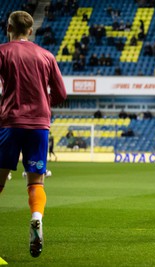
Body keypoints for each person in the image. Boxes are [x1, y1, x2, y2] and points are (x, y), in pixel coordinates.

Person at [0, 11, 67, 258]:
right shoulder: (46, 55)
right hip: (39, 125)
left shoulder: (2, 51)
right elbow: (60, 93)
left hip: (10, 122)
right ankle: (37, 218)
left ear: (8, 28)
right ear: (31, 31)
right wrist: (43, 102)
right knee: (36, 181)